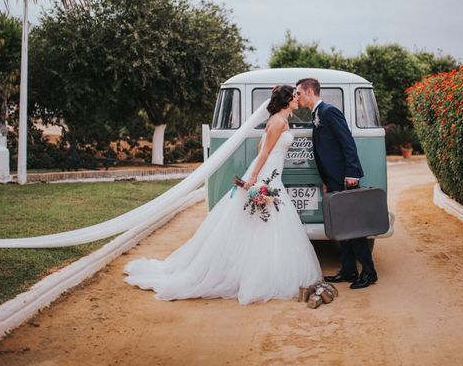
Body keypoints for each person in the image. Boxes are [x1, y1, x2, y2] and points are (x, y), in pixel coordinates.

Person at [124, 85, 322, 304]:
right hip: (268, 175)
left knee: (260, 223)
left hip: (271, 173)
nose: (297, 99)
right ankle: (259, 275)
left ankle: (258, 270)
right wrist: (255, 178)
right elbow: (264, 152)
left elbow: (260, 147)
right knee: (264, 221)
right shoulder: (280, 122)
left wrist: (262, 169)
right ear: (287, 100)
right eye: (294, 96)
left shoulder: (275, 120)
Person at [295, 78, 377, 289]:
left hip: (344, 177)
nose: (297, 97)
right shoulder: (317, 114)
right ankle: (348, 270)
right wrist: (326, 181)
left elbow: (346, 142)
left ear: (310, 91)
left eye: (299, 93)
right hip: (332, 179)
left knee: (353, 226)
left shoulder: (329, 112)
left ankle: (369, 273)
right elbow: (324, 151)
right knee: (342, 227)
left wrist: (351, 173)